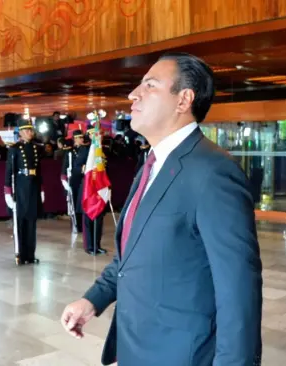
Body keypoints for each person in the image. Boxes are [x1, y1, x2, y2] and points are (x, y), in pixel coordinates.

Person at [61, 52, 263, 366]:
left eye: (150, 86)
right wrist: (93, 300)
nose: (133, 94)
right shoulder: (151, 166)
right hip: (135, 345)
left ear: (183, 100)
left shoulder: (213, 173)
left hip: (180, 353)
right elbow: (132, 253)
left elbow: (238, 290)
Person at [4, 118, 44, 264]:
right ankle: (21, 254)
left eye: (30, 130)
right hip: (20, 187)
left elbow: (39, 171)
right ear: (20, 132)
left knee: (32, 222)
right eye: (26, 130)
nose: (29, 132)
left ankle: (30, 254)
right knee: (20, 222)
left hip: (33, 186)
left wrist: (41, 189)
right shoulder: (14, 149)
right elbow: (9, 171)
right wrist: (8, 192)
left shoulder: (35, 148)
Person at [76, 127, 108, 256]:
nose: (98, 137)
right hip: (89, 187)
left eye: (99, 134)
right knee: (89, 218)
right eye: (95, 135)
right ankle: (89, 246)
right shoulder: (85, 149)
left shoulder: (102, 150)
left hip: (100, 187)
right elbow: (77, 166)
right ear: (90, 136)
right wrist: (88, 171)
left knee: (99, 218)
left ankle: (97, 245)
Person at [60, 130, 87, 233]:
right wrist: (63, 179)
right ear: (75, 139)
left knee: (81, 203)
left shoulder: (86, 150)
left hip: (82, 178)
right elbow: (65, 166)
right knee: (73, 202)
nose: (81, 139)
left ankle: (81, 225)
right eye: (79, 138)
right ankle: (75, 225)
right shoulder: (70, 151)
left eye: (81, 138)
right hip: (73, 179)